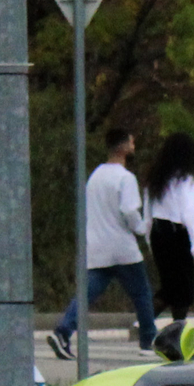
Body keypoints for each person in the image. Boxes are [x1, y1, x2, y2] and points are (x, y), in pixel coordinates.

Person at [49, 126, 158, 361]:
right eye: (131, 142)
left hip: (98, 248)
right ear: (124, 147)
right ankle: (148, 340)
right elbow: (129, 210)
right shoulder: (125, 178)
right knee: (141, 293)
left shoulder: (96, 176)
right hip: (123, 249)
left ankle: (63, 331)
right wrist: (141, 228)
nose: (134, 145)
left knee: (86, 295)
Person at [144, 131, 194, 322]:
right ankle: (165, 326)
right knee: (183, 290)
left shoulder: (155, 181)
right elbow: (192, 216)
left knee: (170, 287)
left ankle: (146, 322)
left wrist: (150, 241)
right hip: (177, 235)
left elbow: (147, 214)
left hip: (158, 234)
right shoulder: (186, 182)